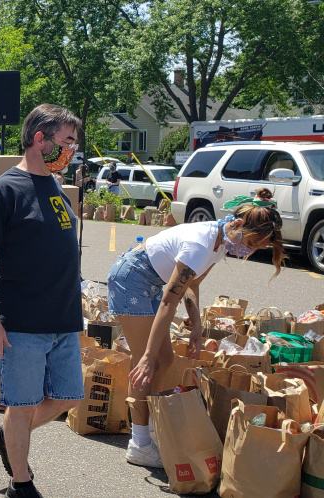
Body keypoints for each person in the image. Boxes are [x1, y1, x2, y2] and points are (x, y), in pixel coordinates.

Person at [108, 187, 283, 468]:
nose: (248, 251)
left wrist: (197, 326)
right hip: (132, 281)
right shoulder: (202, 243)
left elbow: (193, 284)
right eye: (251, 243)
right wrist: (149, 356)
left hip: (150, 283)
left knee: (164, 360)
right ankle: (139, 443)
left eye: (256, 248)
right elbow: (169, 301)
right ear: (238, 225)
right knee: (146, 363)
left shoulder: (219, 240)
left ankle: (147, 427)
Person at [0, 104, 84, 498]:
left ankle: (7, 438)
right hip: (22, 322)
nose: (72, 150)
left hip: (64, 318)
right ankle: (22, 483)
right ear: (41, 139)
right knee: (20, 405)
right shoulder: (6, 189)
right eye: (67, 141)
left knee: (68, 397)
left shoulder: (54, 186)